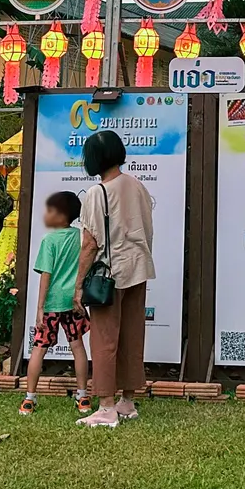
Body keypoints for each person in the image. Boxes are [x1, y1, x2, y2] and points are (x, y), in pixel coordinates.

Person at [74, 129, 156, 428]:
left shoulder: (98, 192)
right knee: (132, 337)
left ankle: (106, 406)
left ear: (94, 159)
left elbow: (90, 243)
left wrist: (79, 283)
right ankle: (127, 401)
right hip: (139, 268)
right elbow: (147, 229)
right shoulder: (137, 186)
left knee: (104, 340)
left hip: (109, 273)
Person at [18, 189, 92, 416]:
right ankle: (82, 397)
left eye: (50, 210)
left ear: (61, 215)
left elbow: (45, 276)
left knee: (39, 348)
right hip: (73, 302)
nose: (46, 214)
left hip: (51, 303)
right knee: (77, 346)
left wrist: (40, 308)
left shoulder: (49, 240)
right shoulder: (80, 236)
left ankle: (29, 399)